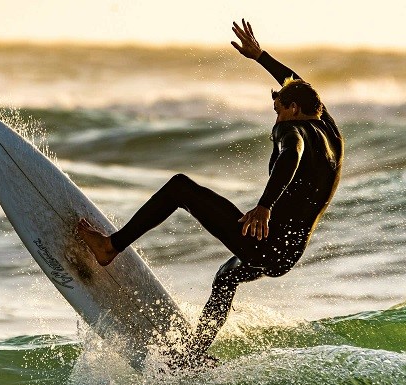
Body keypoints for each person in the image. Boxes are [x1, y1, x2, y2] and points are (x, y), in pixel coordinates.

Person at [76, 19, 344, 366]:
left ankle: (109, 247)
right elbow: (297, 82)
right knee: (227, 277)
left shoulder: (291, 131)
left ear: (293, 110)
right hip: (288, 254)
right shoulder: (329, 132)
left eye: (278, 109)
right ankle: (194, 355)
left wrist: (264, 207)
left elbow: (290, 157)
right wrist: (260, 56)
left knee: (179, 188)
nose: (275, 117)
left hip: (268, 243)